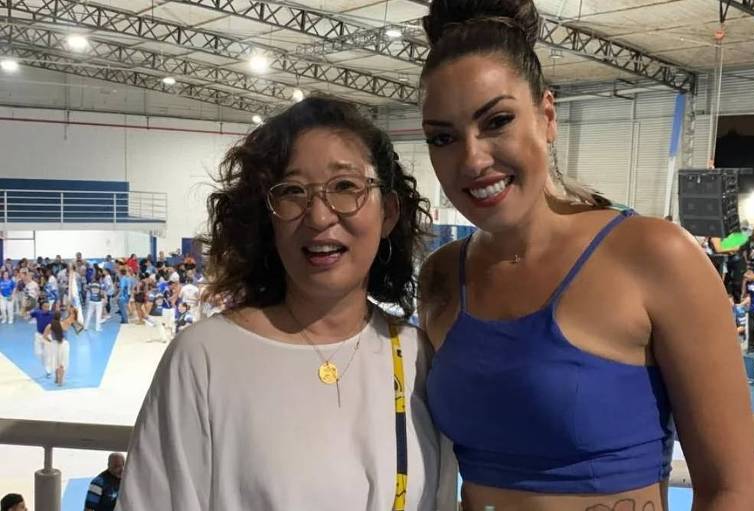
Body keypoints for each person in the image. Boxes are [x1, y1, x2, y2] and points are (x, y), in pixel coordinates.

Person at [416, 1, 754, 510]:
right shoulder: (442, 277)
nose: (471, 159)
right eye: (442, 137)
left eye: (497, 121)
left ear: (547, 116)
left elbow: (732, 492)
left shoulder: (654, 256)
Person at [117, 96, 455, 511]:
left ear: (387, 212)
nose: (318, 216)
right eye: (293, 191)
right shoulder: (205, 359)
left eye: (346, 187)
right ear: (268, 217)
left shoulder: (419, 356)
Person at [44, 305, 79, 386]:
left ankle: (56, 378)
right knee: (63, 362)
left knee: (55, 361)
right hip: (63, 344)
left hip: (54, 344)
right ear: (60, 317)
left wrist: (51, 341)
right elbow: (74, 317)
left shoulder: (50, 325)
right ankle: (61, 381)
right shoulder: (65, 323)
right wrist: (72, 310)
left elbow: (45, 336)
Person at [29, 301, 55, 377]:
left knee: (49, 354)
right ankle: (45, 364)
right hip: (39, 335)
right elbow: (27, 315)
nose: (47, 308)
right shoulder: (37, 313)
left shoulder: (52, 314)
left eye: (48, 306)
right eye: (45, 306)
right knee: (39, 353)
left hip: (48, 336)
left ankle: (48, 369)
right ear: (42, 307)